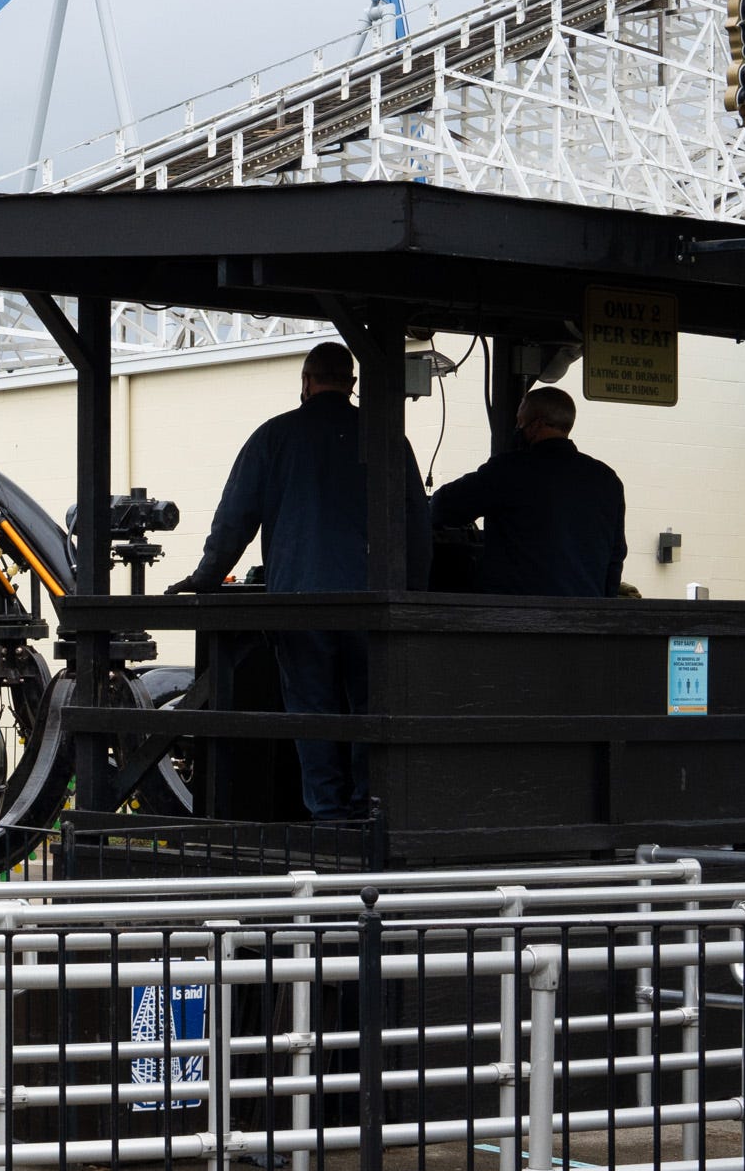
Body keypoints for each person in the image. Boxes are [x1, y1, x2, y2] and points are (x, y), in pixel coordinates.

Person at [164, 340, 429, 821]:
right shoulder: (389, 439)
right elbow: (417, 522)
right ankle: (370, 807)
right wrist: (413, 593)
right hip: (375, 603)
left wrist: (203, 578)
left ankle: (326, 811)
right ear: (351, 384)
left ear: (305, 382)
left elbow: (234, 521)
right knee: (372, 705)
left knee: (312, 708)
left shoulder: (273, 437)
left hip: (299, 601)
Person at [427, 385, 628, 597]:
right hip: (585, 618)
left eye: (520, 422)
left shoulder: (509, 470)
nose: (517, 428)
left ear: (537, 425)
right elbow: (616, 557)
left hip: (517, 615)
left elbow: (443, 507)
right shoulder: (607, 480)